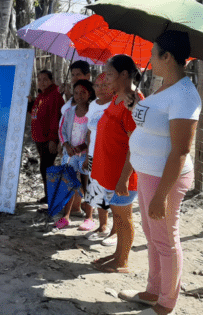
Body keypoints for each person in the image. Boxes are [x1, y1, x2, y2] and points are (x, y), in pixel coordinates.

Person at [118, 31, 201, 315]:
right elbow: (151, 123)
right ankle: (153, 291)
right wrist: (134, 105)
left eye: (154, 54)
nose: (150, 59)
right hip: (148, 173)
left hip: (165, 178)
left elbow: (180, 150)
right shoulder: (162, 87)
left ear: (167, 56)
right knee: (153, 237)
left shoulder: (185, 94)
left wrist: (162, 195)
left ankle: (166, 304)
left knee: (166, 239)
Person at [90, 54, 144, 273]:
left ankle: (122, 260)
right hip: (109, 169)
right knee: (117, 215)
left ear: (124, 74)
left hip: (123, 174)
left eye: (110, 74)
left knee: (124, 217)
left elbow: (135, 145)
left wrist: (124, 178)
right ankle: (118, 253)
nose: (106, 78)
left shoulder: (134, 102)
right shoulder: (116, 97)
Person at [55, 79, 95, 229]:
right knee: (69, 183)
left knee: (87, 184)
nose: (79, 96)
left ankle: (89, 217)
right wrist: (66, 144)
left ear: (89, 93)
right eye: (76, 93)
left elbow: (93, 133)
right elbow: (62, 130)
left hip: (86, 155)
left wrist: (83, 146)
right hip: (70, 154)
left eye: (83, 92)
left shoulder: (93, 113)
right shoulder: (69, 112)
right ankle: (66, 216)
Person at [83, 73, 115, 240]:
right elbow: (90, 132)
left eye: (105, 85)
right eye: (97, 85)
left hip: (111, 157)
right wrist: (88, 155)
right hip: (94, 156)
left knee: (113, 195)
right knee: (97, 191)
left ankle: (116, 231)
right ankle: (103, 226)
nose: (101, 89)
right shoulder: (93, 105)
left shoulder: (117, 104)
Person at [29, 70, 65, 204]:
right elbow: (36, 113)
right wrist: (30, 104)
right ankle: (49, 195)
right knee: (45, 167)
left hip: (48, 139)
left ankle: (53, 197)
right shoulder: (41, 96)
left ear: (51, 81)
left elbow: (55, 120)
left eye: (45, 79)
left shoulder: (54, 96)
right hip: (39, 138)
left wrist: (53, 140)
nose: (42, 82)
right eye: (39, 79)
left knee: (47, 168)